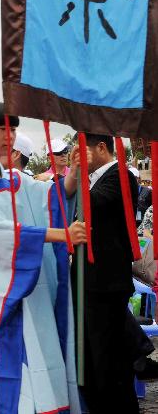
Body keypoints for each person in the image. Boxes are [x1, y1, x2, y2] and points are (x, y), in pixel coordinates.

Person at [0, 101, 86, 413]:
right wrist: (60, 235)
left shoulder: (17, 180)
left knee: (40, 361)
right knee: (3, 369)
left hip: (29, 289)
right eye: (3, 128)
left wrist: (76, 171)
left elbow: (52, 199)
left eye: (13, 129)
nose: (10, 135)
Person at [68, 134, 139, 410]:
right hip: (88, 280)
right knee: (89, 360)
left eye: (81, 149)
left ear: (101, 147)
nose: (77, 155)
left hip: (107, 282)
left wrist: (80, 173)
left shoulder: (121, 175)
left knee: (109, 361)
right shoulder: (91, 178)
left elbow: (91, 204)